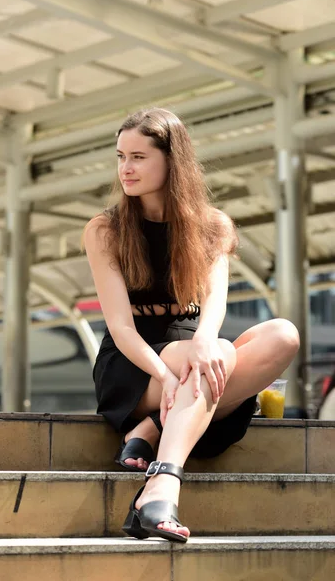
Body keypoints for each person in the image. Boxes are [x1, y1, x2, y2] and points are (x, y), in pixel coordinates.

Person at [84, 107, 300, 543]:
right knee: (209, 358)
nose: (126, 168)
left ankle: (153, 432)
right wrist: (166, 377)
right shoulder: (105, 229)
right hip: (137, 365)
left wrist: (203, 341)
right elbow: (122, 329)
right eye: (121, 156)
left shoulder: (212, 226)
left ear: (172, 160)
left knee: (283, 334)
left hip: (197, 357)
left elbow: (214, 304)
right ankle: (161, 486)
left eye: (139, 157)